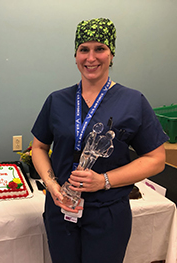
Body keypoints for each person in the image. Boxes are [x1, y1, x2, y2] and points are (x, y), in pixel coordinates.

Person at [31, 18, 168, 263]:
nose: (91, 57)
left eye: (99, 49)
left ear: (111, 55)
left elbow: (156, 159)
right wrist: (52, 186)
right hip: (61, 210)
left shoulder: (133, 101)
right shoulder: (57, 100)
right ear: (75, 55)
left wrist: (103, 181)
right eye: (84, 49)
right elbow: (39, 147)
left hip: (108, 213)